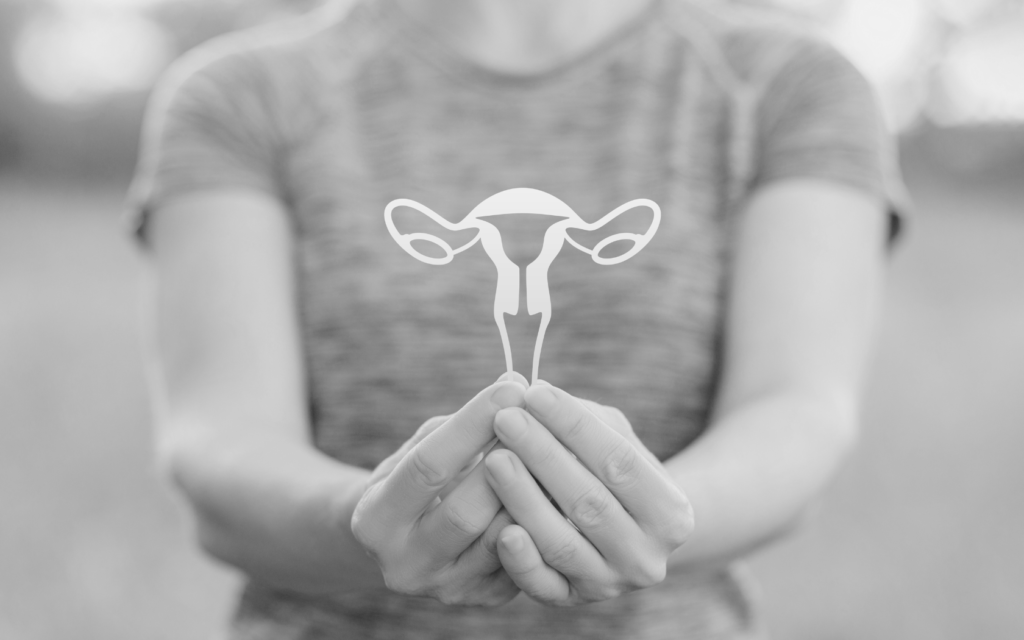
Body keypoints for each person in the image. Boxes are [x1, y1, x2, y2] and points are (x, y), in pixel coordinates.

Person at [128, 0, 908, 637]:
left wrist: (637, 520)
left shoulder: (785, 87)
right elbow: (219, 439)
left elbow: (796, 408)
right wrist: (370, 525)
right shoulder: (243, 96)